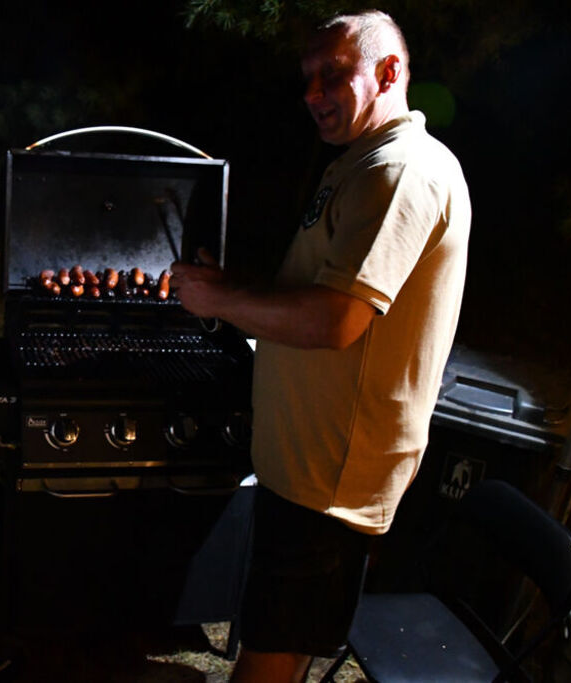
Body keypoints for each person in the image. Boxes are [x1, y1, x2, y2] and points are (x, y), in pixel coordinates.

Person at [171, 10, 471, 683]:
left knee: (273, 651)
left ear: (389, 72)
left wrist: (218, 302)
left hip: (330, 480)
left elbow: (337, 320)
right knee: (286, 634)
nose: (312, 93)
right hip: (308, 466)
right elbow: (318, 286)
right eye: (306, 78)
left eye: (331, 74)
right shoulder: (362, 161)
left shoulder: (401, 172)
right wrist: (236, 286)